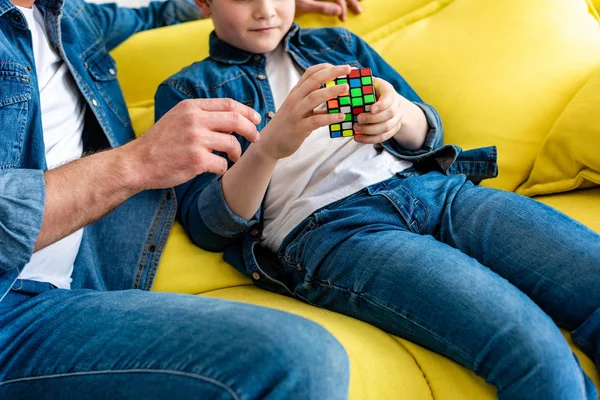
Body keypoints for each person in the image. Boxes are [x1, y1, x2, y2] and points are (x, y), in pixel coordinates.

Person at [154, 0, 600, 398]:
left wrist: (395, 112)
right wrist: (269, 147)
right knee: (532, 349)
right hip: (336, 231)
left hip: (433, 191)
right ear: (204, 3)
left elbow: (428, 133)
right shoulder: (188, 90)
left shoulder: (338, 43)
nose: (266, 9)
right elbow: (209, 225)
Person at [0, 0, 351, 398]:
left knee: (305, 355)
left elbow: (158, 11)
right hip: (11, 313)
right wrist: (137, 162)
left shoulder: (72, 17)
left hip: (60, 305)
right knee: (300, 359)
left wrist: (263, 8)